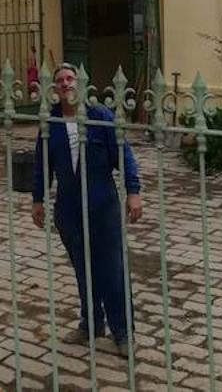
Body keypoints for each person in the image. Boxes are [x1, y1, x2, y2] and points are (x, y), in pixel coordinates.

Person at [32, 63, 143, 357]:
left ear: (81, 83)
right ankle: (91, 324)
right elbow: (41, 164)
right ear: (54, 88)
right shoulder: (51, 123)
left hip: (102, 206)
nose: (66, 84)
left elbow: (124, 155)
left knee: (112, 271)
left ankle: (123, 332)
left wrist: (133, 191)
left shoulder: (100, 117)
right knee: (83, 269)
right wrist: (38, 199)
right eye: (60, 81)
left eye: (70, 78)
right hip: (68, 210)